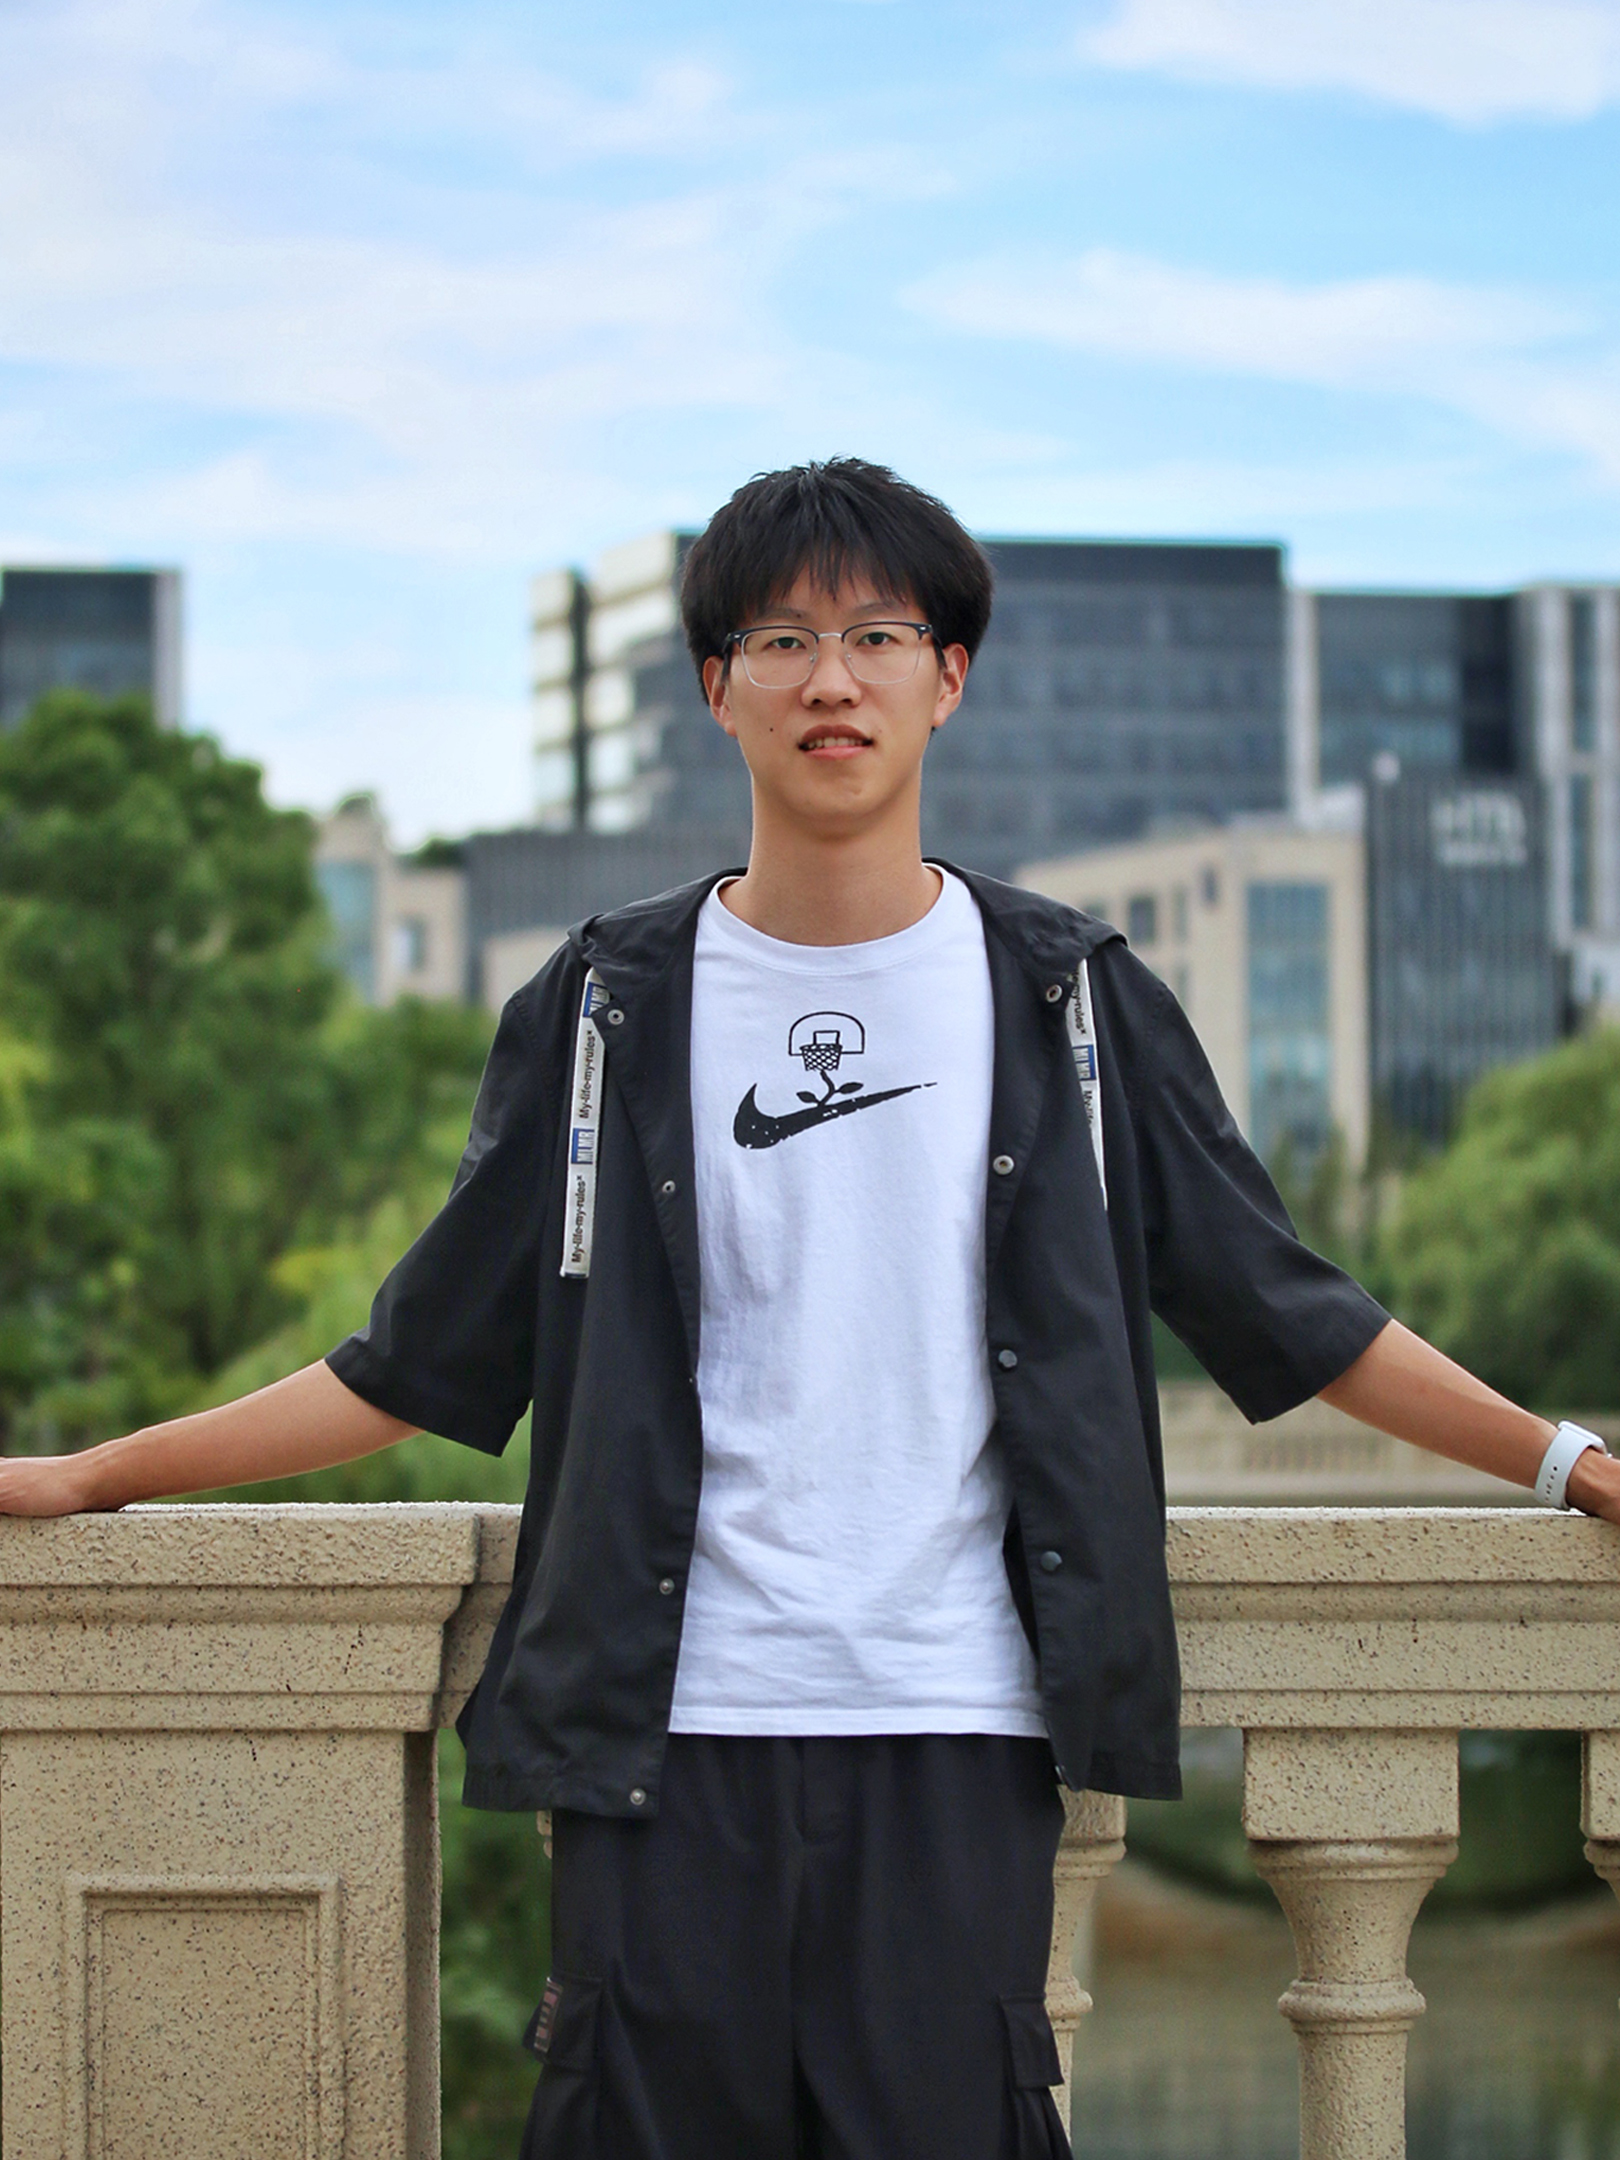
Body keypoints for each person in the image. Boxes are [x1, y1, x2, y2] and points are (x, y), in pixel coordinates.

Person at [0, 457, 1614, 2160]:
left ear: (947, 676)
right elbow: (415, 1361)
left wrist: (1564, 1460)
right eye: (780, 639)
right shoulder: (606, 1007)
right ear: (718, 687)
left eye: (875, 636)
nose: (829, 678)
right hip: (664, 1734)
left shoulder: (1070, 1003)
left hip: (954, 1726)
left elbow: (1293, 1311)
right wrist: (91, 1477)